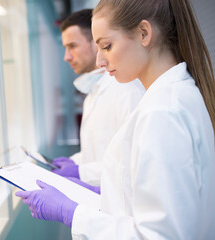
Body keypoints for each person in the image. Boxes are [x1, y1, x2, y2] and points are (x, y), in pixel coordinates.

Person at [16, 0, 215, 239]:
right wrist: (97, 194)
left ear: (144, 33)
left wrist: (72, 213)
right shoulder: (173, 96)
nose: (99, 61)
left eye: (107, 46)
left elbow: (159, 235)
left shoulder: (162, 113)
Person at [52, 9, 145, 187]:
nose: (67, 57)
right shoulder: (93, 94)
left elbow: (133, 163)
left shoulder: (127, 90)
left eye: (72, 46)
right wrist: (73, 162)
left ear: (96, 42)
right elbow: (99, 153)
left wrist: (80, 172)